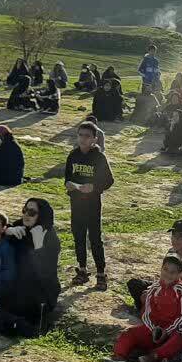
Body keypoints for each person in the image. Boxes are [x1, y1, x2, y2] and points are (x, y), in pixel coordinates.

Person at [101, 255, 182, 362]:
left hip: (174, 329)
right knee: (130, 333)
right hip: (155, 329)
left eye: (173, 272)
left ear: (180, 274)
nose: (168, 274)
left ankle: (151, 358)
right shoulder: (154, 288)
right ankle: (119, 358)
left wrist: (167, 331)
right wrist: (154, 329)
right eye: (165, 269)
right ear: (161, 269)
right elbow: (146, 314)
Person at [0, 198, 62, 334]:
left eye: (32, 212)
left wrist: (39, 246)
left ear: (42, 215)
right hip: (17, 284)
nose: (26, 215)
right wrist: (7, 231)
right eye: (25, 210)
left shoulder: (50, 238)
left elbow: (45, 273)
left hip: (40, 291)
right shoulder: (19, 227)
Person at [65, 121, 115, 288]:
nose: (83, 139)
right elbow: (67, 177)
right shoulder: (73, 155)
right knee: (78, 236)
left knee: (94, 238)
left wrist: (94, 187)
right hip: (76, 203)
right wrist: (70, 185)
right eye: (80, 135)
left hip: (93, 203)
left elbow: (109, 180)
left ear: (94, 139)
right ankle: (82, 269)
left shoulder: (99, 157)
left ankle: (101, 273)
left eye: (87, 136)